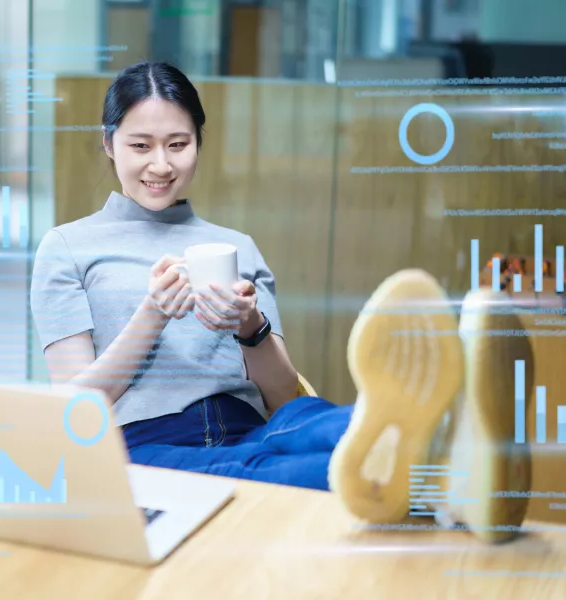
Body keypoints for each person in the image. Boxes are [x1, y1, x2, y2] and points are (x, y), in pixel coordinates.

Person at [30, 61, 535, 544]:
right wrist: (152, 314)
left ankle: (455, 428)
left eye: (178, 144)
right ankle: (455, 475)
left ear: (198, 144)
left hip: (255, 423)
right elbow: (76, 406)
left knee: (325, 423)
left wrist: (250, 326)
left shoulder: (236, 246)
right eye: (140, 145)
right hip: (146, 446)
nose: (161, 164)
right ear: (109, 145)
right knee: (277, 473)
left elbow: (282, 398)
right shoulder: (69, 248)